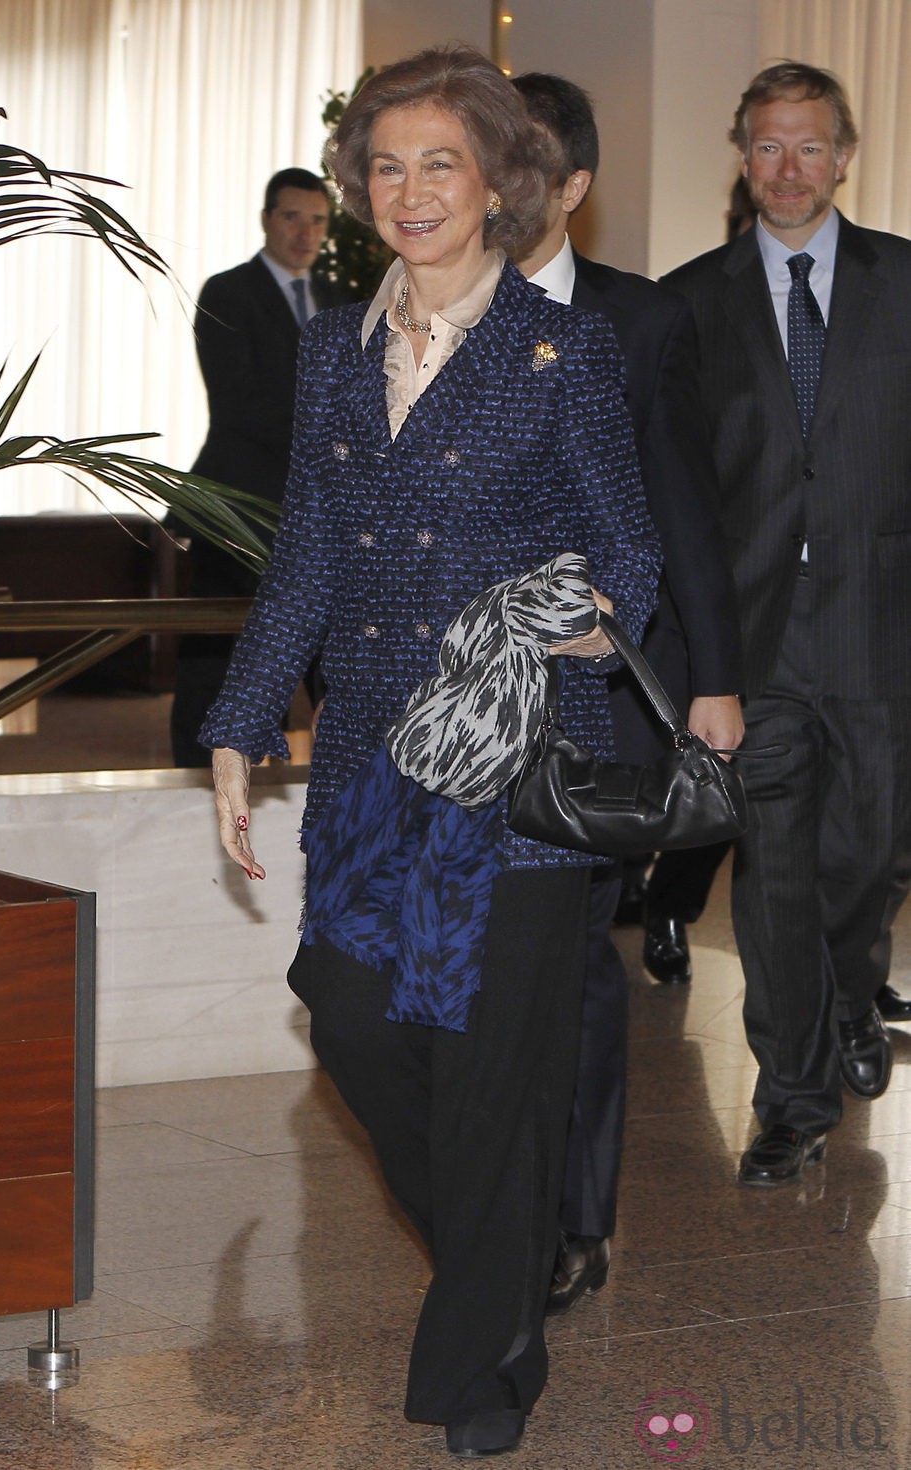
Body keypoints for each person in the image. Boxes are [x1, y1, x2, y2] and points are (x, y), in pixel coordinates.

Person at [200, 45, 661, 1459]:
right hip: (367, 771)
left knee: (491, 1064)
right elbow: (309, 560)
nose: (409, 191)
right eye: (385, 166)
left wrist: (583, 624)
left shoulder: (563, 347)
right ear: (360, 188)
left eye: (439, 164)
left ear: (498, 182)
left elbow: (627, 551)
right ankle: (504, 1258)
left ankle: (481, 1376)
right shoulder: (335, 346)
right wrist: (239, 722)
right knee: (348, 1013)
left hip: (516, 760)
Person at [510, 72, 743, 1312]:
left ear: (573, 185)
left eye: (519, 160)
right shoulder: (404, 304)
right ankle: (487, 1191)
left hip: (588, 704)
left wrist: (711, 682)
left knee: (568, 960)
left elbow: (682, 509)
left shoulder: (636, 322)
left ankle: (572, 1215)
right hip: (439, 707)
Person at [663, 61, 911, 1186]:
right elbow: (669, 479)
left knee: (863, 860)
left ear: (842, 155)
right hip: (753, 637)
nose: (785, 169)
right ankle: (791, 1094)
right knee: (771, 872)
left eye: (807, 146)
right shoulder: (692, 300)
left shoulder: (904, 282)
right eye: (765, 145)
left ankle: (851, 992)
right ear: (742, 154)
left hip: (880, 626)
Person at [169, 168, 345, 766]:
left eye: (318, 220)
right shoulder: (227, 292)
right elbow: (240, 402)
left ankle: (342, 774)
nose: (305, 232)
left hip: (321, 508)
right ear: (268, 219)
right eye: (292, 217)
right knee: (220, 652)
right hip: (237, 504)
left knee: (333, 646)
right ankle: (198, 768)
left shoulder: (340, 297)